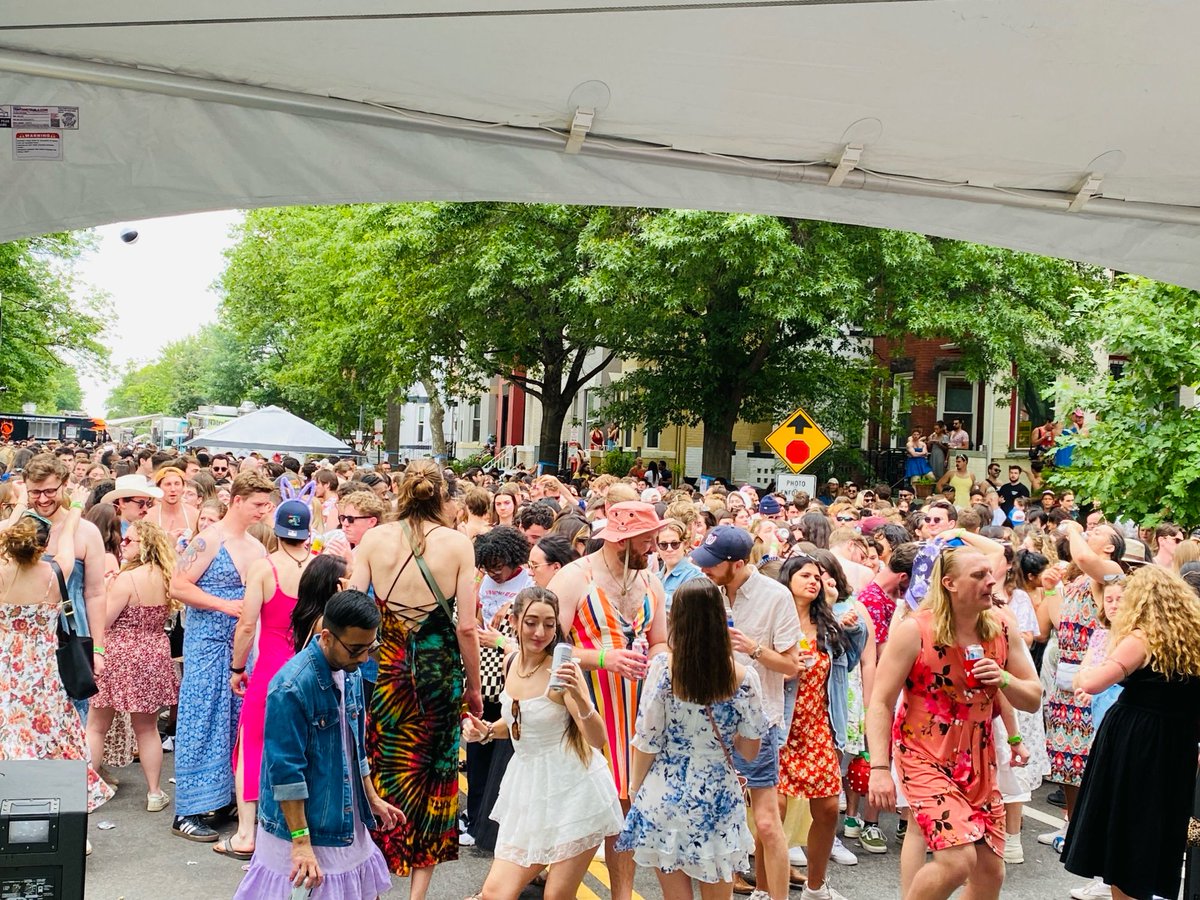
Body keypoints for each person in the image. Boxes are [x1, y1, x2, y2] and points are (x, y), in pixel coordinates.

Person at [866, 546, 1040, 900]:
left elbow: (1033, 697)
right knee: (957, 859)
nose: (991, 582)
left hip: (978, 759)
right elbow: (881, 702)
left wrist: (1004, 680)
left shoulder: (1003, 627)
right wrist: (879, 768)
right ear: (949, 584)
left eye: (990, 574)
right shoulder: (915, 630)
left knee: (991, 872)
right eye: (978, 576)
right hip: (922, 755)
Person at [350, 458, 481, 896]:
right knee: (433, 780)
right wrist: (475, 689)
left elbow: (353, 608)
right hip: (439, 680)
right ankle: (416, 895)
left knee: (386, 775)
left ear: (399, 493)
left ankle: (374, 881)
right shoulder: (459, 545)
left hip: (389, 675)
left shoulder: (373, 538)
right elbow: (466, 627)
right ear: (442, 495)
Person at [233, 590, 402, 899]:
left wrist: (372, 798)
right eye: (356, 649)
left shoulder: (349, 669)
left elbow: (355, 746)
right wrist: (300, 842)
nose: (364, 658)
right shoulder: (290, 686)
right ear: (327, 637)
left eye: (370, 647)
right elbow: (285, 773)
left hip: (344, 816)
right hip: (302, 826)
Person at [463, 586, 623, 899]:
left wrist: (580, 696)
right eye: (532, 622)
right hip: (529, 788)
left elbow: (597, 739)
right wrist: (485, 731)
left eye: (549, 625)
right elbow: (517, 722)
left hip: (575, 790)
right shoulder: (510, 662)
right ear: (514, 620)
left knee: (557, 896)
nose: (540, 632)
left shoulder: (563, 671)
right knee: (495, 893)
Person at [547, 501, 670, 900]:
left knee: (628, 807)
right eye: (647, 542)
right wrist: (603, 657)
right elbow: (544, 646)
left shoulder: (651, 580)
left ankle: (622, 894)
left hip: (639, 710)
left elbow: (660, 641)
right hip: (588, 709)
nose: (654, 549)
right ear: (622, 541)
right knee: (581, 811)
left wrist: (659, 661)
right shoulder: (573, 578)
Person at [618, 576, 767, 899]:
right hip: (717, 797)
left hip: (665, 791)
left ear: (677, 620)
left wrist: (634, 787)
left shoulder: (663, 669)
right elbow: (750, 749)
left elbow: (647, 738)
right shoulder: (743, 678)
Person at [1062, 565, 1200, 900]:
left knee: (1126, 829)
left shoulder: (1142, 638)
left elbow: (1094, 683)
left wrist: (1082, 675)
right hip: (1177, 740)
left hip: (1135, 738)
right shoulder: (1193, 641)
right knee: (1153, 829)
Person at [692, 525, 801, 900]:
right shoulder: (708, 591)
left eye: (711, 564)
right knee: (714, 817)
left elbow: (792, 666)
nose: (703, 569)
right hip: (708, 721)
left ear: (737, 564)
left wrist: (753, 649)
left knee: (768, 822)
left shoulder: (775, 597)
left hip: (758, 722)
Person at [169, 471, 274, 841]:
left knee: (234, 721)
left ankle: (226, 797)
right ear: (238, 501)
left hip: (243, 648)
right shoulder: (208, 540)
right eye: (258, 503)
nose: (264, 510)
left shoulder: (258, 547)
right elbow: (178, 585)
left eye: (267, 504)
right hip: (207, 644)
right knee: (201, 720)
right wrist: (224, 605)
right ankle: (188, 809)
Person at [0, 500, 114, 834]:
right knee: (52, 741)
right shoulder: (53, 576)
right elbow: (66, 547)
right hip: (44, 675)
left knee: (11, 741)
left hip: (7, 670)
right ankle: (63, 826)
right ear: (41, 546)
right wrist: (76, 509)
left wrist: (16, 511)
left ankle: (12, 823)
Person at [221, 491, 313, 861]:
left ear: (275, 531)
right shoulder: (324, 567)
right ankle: (299, 832)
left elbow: (246, 626)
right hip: (309, 665)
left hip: (271, 668)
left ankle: (247, 833)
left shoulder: (264, 567)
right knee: (304, 748)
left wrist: (237, 668)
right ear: (307, 533)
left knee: (252, 745)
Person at [776, 553, 866, 900]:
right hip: (780, 727)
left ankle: (815, 886)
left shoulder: (828, 626)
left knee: (828, 809)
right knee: (774, 815)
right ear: (788, 580)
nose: (814, 582)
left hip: (818, 726)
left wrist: (854, 628)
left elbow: (848, 662)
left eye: (818, 577)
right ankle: (768, 890)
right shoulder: (777, 621)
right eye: (806, 576)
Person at [84, 519, 180, 814]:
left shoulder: (126, 579)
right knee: (148, 728)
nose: (123, 544)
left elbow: (106, 620)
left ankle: (85, 791)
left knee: (96, 726)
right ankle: (154, 792)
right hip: (153, 651)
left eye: (129, 540)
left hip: (119, 652)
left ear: (145, 545)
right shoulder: (166, 577)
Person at [655, 518, 702, 617]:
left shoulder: (696, 576)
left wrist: (653, 594)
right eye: (663, 545)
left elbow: (688, 607)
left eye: (674, 544)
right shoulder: (655, 578)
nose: (669, 549)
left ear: (685, 544)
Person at [151, 465, 198, 544]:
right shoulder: (149, 516)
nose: (173, 489)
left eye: (177, 484)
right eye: (168, 484)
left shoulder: (195, 515)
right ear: (159, 488)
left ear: (183, 487)